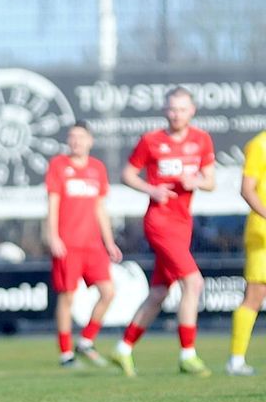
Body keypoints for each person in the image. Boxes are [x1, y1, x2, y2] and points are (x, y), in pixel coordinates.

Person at [110, 87, 216, 377]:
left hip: (183, 224)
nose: (176, 114)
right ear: (164, 110)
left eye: (182, 109)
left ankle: (123, 349)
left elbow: (211, 182)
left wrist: (195, 180)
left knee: (158, 292)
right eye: (171, 109)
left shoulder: (201, 140)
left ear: (192, 110)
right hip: (159, 222)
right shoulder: (152, 140)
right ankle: (188, 354)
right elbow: (127, 174)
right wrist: (151, 189)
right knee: (193, 283)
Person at [45, 121, 123, 368]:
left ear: (90, 140)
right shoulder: (59, 165)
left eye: (81, 136)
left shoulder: (97, 169)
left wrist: (109, 241)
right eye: (72, 136)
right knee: (67, 298)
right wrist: (53, 235)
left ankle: (86, 340)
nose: (76, 141)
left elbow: (100, 207)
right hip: (68, 244)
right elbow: (53, 204)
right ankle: (65, 354)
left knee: (108, 292)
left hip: (93, 245)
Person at [226, 130, 266, 375]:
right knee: (255, 294)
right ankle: (236, 360)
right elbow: (247, 188)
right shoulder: (260, 145)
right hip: (262, 234)